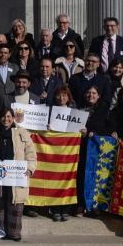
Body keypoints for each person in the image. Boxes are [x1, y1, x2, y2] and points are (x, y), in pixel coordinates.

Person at [0, 108, 37, 242]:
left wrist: (30, 169)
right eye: (4, 116)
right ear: (0, 117)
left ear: (14, 118)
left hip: (17, 175)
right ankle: (1, 231)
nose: (6, 119)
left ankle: (14, 233)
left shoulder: (22, 133)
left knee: (15, 203)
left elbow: (31, 153)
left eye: (9, 116)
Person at [77, 85, 111, 216]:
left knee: (94, 176)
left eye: (94, 93)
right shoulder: (79, 109)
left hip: (96, 149)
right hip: (81, 147)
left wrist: (93, 132)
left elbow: (109, 128)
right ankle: (80, 205)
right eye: (89, 92)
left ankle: (94, 205)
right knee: (80, 175)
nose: (91, 95)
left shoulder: (104, 110)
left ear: (98, 96)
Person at [49, 86, 76, 222]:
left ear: (68, 98)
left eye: (64, 95)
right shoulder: (49, 112)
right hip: (54, 152)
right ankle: (55, 210)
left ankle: (65, 209)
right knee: (55, 180)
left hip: (69, 153)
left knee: (67, 179)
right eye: (59, 95)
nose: (61, 98)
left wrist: (82, 130)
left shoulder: (74, 113)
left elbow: (78, 131)